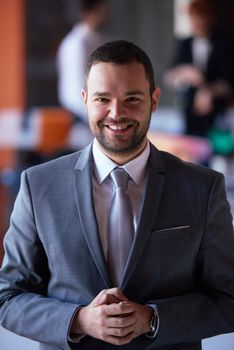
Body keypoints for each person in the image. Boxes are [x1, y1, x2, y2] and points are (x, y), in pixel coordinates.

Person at [0, 40, 234, 350]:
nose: (116, 113)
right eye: (102, 99)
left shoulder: (203, 188)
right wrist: (79, 320)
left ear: (154, 100)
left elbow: (228, 300)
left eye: (132, 98)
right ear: (85, 101)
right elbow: (8, 297)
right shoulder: (38, 185)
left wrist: (152, 318)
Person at [164, 0, 234, 137]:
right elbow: (170, 76)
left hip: (218, 113)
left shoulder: (224, 44)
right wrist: (184, 73)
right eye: (193, 19)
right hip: (189, 112)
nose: (196, 23)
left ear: (209, 18)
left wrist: (210, 91)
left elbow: (229, 80)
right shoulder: (185, 43)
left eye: (199, 18)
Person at [56, 0, 108, 149]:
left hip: (94, 112)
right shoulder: (76, 43)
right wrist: (95, 116)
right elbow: (76, 87)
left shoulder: (94, 39)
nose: (105, 16)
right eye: (101, 11)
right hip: (81, 116)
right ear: (88, 14)